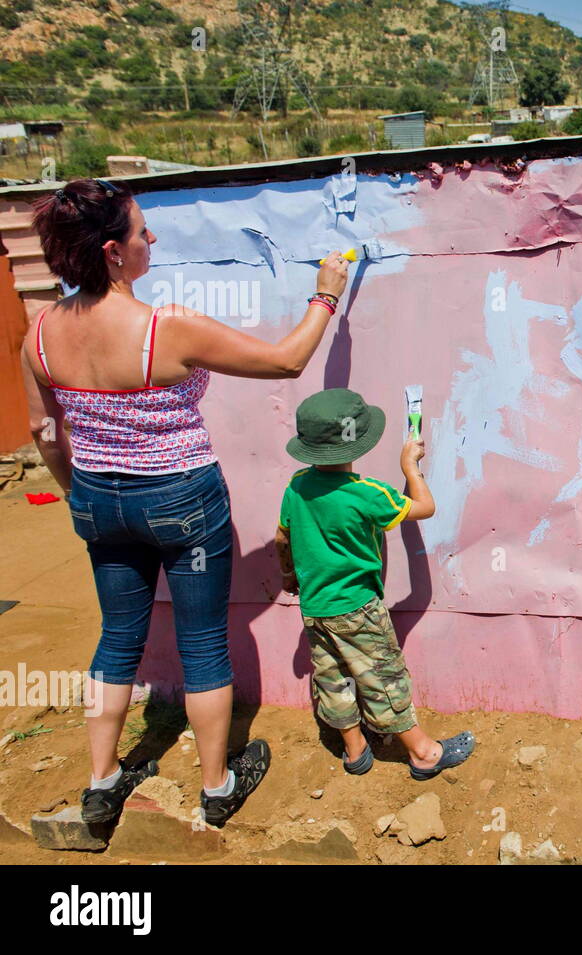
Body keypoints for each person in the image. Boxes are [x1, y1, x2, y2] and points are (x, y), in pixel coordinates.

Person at [21, 177, 352, 826]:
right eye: (144, 231)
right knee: (202, 645)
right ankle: (217, 786)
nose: (154, 238)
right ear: (114, 252)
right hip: (180, 499)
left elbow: (42, 432)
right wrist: (325, 293)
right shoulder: (163, 330)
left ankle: (102, 780)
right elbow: (286, 360)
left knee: (117, 638)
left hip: (96, 497)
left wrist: (78, 495)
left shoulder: (39, 332)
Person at [275, 388, 475, 779]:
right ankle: (423, 753)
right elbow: (425, 508)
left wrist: (288, 576)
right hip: (358, 608)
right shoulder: (367, 494)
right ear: (356, 443)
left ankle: (355, 750)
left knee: (331, 676)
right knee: (383, 676)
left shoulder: (296, 486)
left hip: (315, 606)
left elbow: (283, 536)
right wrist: (410, 467)